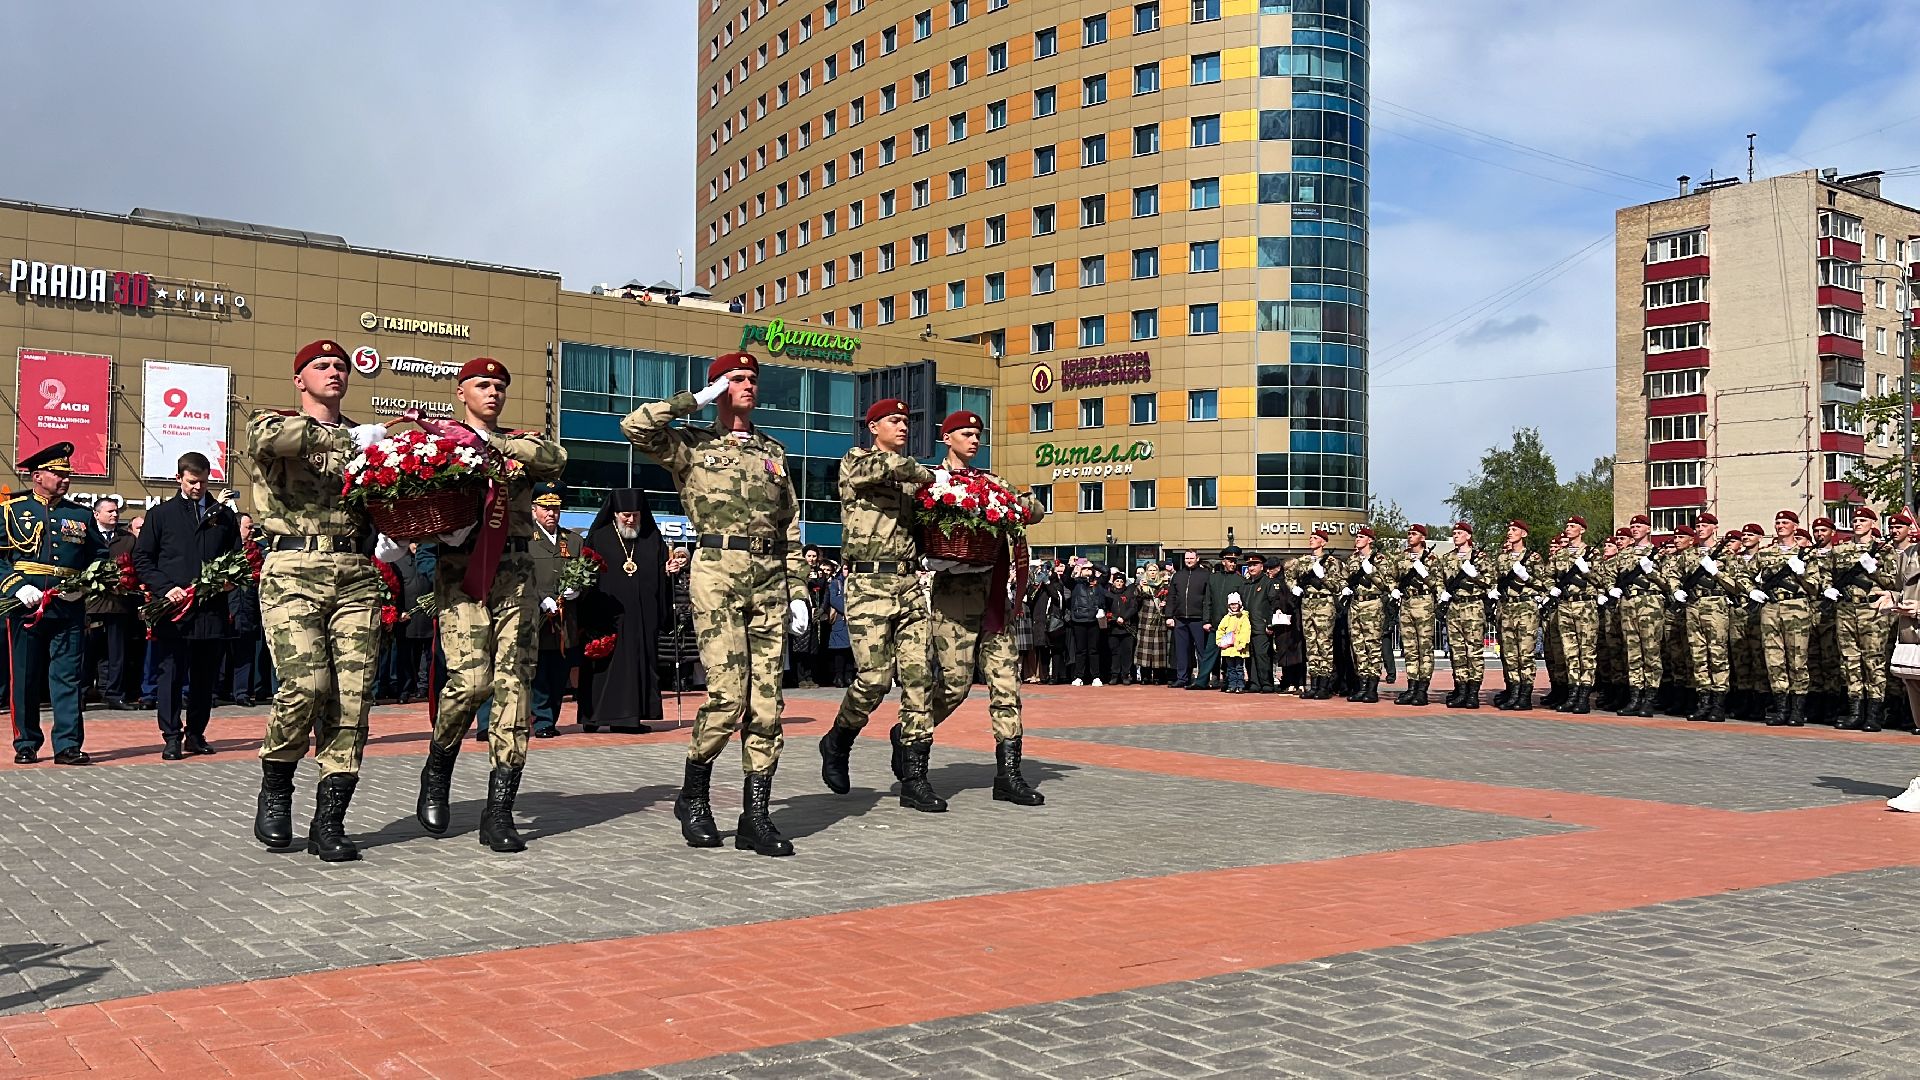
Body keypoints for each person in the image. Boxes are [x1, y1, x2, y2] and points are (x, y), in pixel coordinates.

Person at [621, 351, 809, 856]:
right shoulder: (691, 446)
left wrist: (800, 589)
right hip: (717, 574)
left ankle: (756, 816)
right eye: (736, 379)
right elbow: (634, 426)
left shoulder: (774, 451)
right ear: (719, 387)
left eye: (751, 379)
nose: (747, 386)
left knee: (767, 707)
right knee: (728, 699)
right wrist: (694, 400)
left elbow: (790, 525)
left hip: (770, 581)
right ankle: (696, 795)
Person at [407, 358, 567, 854]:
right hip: (463, 573)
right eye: (483, 385)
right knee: (471, 681)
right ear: (461, 392)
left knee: (515, 687)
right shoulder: (442, 445)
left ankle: (498, 809)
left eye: (500, 385)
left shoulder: (518, 443)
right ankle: (439, 763)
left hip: (516, 574)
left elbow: (555, 458)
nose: (493, 392)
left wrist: (488, 448)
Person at [243, 339, 386, 861]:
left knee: (352, 700)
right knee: (306, 685)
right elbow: (280, 440)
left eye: (341, 367)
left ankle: (330, 821)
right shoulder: (271, 422)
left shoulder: (365, 436)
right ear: (299, 379)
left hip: (354, 571)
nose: (334, 373)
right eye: (321, 366)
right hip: (292, 567)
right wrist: (358, 443)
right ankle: (276, 788)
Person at [922, 410, 1047, 805]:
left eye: (978, 434)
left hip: (995, 599)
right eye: (965, 433)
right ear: (947, 438)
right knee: (955, 685)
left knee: (1006, 686)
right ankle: (912, 735)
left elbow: (1035, 509)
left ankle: (1008, 775)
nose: (974, 440)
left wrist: (1018, 505)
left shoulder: (992, 482)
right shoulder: (932, 480)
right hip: (953, 598)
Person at [817, 399, 938, 803]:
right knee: (874, 680)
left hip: (908, 582)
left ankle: (915, 776)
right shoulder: (857, 461)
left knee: (920, 678)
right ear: (873, 427)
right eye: (894, 421)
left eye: (906, 420)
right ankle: (838, 739)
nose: (903, 427)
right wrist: (928, 475)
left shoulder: (910, 478)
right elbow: (892, 468)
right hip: (869, 583)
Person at [0, 442, 106, 766]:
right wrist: (16, 586)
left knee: (68, 676)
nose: (64, 479)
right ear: (37, 476)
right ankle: (26, 742)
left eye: (67, 474)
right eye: (57, 474)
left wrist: (85, 585)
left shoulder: (80, 514)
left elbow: (99, 556)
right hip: (25, 607)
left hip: (67, 605)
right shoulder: (11, 510)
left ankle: (68, 745)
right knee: (26, 675)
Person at [132, 452, 241, 760]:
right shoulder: (161, 515)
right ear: (179, 478)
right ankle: (170, 736)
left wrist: (231, 581)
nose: (198, 487)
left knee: (205, 677)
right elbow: (143, 559)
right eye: (193, 482)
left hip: (211, 608)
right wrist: (166, 588)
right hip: (175, 609)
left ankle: (196, 733)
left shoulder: (223, 515)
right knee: (171, 674)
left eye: (204, 482)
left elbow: (236, 558)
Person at [575, 491, 671, 734]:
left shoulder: (652, 538)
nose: (630, 520)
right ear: (615, 514)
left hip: (640, 618)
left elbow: (660, 575)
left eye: (635, 515)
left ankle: (629, 718)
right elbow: (586, 575)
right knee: (603, 667)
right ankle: (594, 717)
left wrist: (668, 570)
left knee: (636, 666)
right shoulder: (599, 537)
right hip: (607, 616)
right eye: (626, 515)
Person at [526, 481, 585, 739]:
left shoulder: (572, 540)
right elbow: (521, 575)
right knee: (538, 673)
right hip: (536, 618)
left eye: (556, 509)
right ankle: (541, 721)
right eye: (545, 508)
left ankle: (551, 716)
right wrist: (539, 598)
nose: (551, 514)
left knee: (559, 673)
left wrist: (579, 589)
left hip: (564, 620)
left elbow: (584, 572)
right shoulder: (527, 540)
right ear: (534, 509)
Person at [1830, 507, 1896, 731]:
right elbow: (1828, 576)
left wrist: (1874, 570)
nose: (1857, 523)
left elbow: (1892, 583)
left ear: (1872, 522)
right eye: (1855, 520)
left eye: (1862, 520)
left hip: (1871, 610)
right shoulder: (1840, 550)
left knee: (1873, 660)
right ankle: (1855, 711)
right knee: (1849, 661)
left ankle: (1874, 714)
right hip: (1846, 609)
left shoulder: (1884, 551)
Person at [1751, 510, 1819, 726]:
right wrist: (1752, 590)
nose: (1780, 525)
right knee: (1774, 660)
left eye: (1785, 522)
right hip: (1770, 607)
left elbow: (1816, 587)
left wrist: (1802, 574)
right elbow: (1744, 575)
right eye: (1777, 522)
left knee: (1798, 659)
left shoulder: (1806, 554)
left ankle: (1797, 710)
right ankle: (1781, 708)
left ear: (1795, 526)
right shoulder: (1764, 554)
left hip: (1796, 606)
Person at [84, 496, 136, 709]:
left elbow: (136, 566)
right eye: (110, 511)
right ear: (97, 514)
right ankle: (82, 693)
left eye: (116, 511)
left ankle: (114, 694)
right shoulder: (86, 536)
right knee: (87, 651)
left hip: (118, 604)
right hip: (90, 604)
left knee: (116, 653)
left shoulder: (128, 539)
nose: (115, 515)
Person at [1433, 522, 1487, 708]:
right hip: (1454, 607)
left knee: (1474, 651)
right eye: (1454, 533)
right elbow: (1439, 579)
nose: (1456, 536)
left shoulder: (1480, 557)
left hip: (1473, 606)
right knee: (1457, 652)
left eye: (1459, 533)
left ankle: (1473, 694)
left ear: (1468, 536)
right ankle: (1461, 690)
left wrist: (1476, 576)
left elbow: (1490, 582)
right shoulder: (1447, 558)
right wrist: (1442, 593)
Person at [1489, 521, 1542, 710]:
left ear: (1524, 534)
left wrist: (1527, 577)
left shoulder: (1533, 557)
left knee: (1525, 654)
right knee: (1509, 654)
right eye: (1509, 530)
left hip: (1525, 607)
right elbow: (1492, 578)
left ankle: (1525, 696)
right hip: (1506, 608)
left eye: (1514, 530)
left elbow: (1543, 583)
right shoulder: (1502, 558)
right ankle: (1513, 692)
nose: (1509, 533)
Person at [1287, 531, 1346, 699]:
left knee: (1324, 644)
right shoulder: (1303, 561)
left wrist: (1323, 577)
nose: (1311, 540)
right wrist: (1294, 587)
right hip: (1307, 604)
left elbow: (1337, 586)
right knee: (1311, 645)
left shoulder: (1332, 562)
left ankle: (1324, 686)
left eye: (1315, 538)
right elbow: (1289, 576)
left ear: (1324, 542)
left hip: (1324, 604)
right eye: (1310, 538)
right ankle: (1313, 684)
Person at [1389, 525, 1436, 706]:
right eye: (1408, 533)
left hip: (1423, 603)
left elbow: (1438, 583)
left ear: (1423, 537)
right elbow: (1390, 577)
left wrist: (1425, 575)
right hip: (1406, 604)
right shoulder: (1402, 558)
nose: (1410, 536)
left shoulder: (1431, 558)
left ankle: (1422, 690)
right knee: (1409, 649)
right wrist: (1393, 589)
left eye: (1414, 534)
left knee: (1424, 648)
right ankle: (1411, 687)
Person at [1343, 529, 1392, 703]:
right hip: (1355, 604)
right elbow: (1343, 578)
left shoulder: (1380, 559)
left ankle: (1372, 688)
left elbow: (1387, 584)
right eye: (1356, 537)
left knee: (1373, 646)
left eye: (1361, 537)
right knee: (1358, 647)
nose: (1357, 539)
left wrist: (1371, 572)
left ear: (1370, 540)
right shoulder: (1352, 559)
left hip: (1372, 604)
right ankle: (1362, 686)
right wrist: (1345, 587)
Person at [1195, 547, 1245, 691]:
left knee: (1230, 656)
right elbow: (1207, 601)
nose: (1233, 564)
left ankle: (1229, 682)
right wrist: (1206, 620)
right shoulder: (1214, 578)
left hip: (1232, 626)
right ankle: (1201, 680)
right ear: (1223, 562)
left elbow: (1242, 604)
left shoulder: (1240, 580)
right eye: (1230, 561)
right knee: (1209, 654)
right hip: (1216, 625)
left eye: (1235, 561)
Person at [1165, 550, 1210, 688]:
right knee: (1181, 650)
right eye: (1186, 558)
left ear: (1197, 558)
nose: (1189, 560)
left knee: (1202, 652)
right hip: (1180, 619)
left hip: (1198, 619)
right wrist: (1169, 616)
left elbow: (1208, 598)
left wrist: (1207, 619)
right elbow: (1171, 597)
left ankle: (1202, 679)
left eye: (1191, 558)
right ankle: (1182, 678)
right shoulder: (1178, 575)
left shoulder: (1205, 575)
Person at [1064, 560, 1101, 686]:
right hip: (1079, 620)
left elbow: (1106, 572)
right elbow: (1065, 578)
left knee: (1094, 650)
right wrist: (1070, 566)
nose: (1087, 571)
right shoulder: (1075, 584)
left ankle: (1095, 676)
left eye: (1089, 569)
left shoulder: (1097, 583)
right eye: (1084, 569)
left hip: (1094, 620)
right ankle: (1079, 676)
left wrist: (1094, 564)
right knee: (1080, 650)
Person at [1132, 562, 1170, 685]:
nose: (1152, 573)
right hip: (1145, 620)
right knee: (1145, 650)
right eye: (1150, 570)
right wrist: (1139, 588)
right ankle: (1145, 676)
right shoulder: (1142, 585)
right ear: (1146, 572)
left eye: (1154, 570)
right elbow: (1135, 600)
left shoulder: (1163, 585)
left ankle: (1158, 676)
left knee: (1158, 650)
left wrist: (1165, 604)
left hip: (1159, 621)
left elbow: (1169, 599)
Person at [1104, 566, 1140, 684]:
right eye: (1117, 581)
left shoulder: (1129, 593)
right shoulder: (1108, 594)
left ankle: (1125, 674)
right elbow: (1105, 609)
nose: (1119, 583)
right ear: (1113, 582)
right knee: (1115, 652)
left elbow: (1133, 607)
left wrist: (1124, 618)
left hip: (1127, 628)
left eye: (1121, 581)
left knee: (1127, 652)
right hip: (1113, 628)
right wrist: (1114, 618)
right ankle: (1114, 675)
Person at [1215, 593, 1252, 693]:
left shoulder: (1243, 617)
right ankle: (1232, 685)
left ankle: (1240, 685)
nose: (1234, 606)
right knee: (1230, 668)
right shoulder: (1226, 617)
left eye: (1235, 604)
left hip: (1239, 649)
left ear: (1239, 604)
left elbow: (1246, 631)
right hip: (1228, 648)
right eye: (1231, 604)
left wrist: (1242, 644)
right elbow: (1220, 630)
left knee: (1239, 668)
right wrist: (1219, 641)